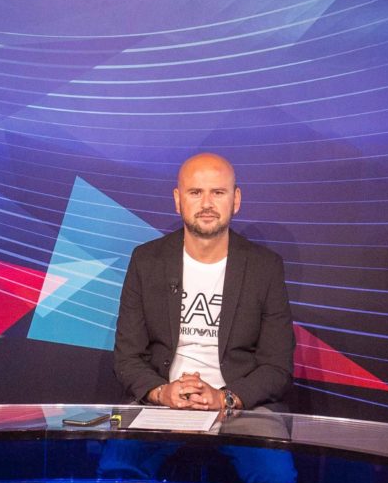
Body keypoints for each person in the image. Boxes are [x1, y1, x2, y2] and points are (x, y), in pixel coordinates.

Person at [114, 152, 294, 413]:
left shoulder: (265, 267)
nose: (207, 204)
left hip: (238, 406)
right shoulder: (146, 261)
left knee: (270, 440)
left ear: (236, 200)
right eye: (196, 192)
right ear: (178, 200)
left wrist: (224, 398)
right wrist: (161, 393)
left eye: (218, 193)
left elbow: (277, 367)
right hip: (162, 403)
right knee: (117, 441)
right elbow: (127, 357)